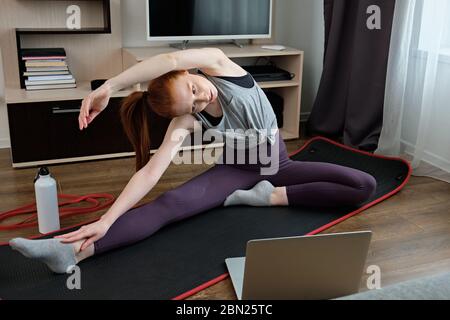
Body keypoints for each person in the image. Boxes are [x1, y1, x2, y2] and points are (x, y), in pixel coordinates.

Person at [9, 48, 377, 273]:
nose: (201, 99)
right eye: (194, 105)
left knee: (364, 185)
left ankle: (270, 196)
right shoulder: (186, 118)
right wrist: (105, 221)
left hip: (278, 165)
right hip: (234, 170)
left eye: (193, 90)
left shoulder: (220, 65)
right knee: (169, 203)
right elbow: (153, 171)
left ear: (187, 73)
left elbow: (167, 58)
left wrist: (109, 87)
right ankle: (71, 252)